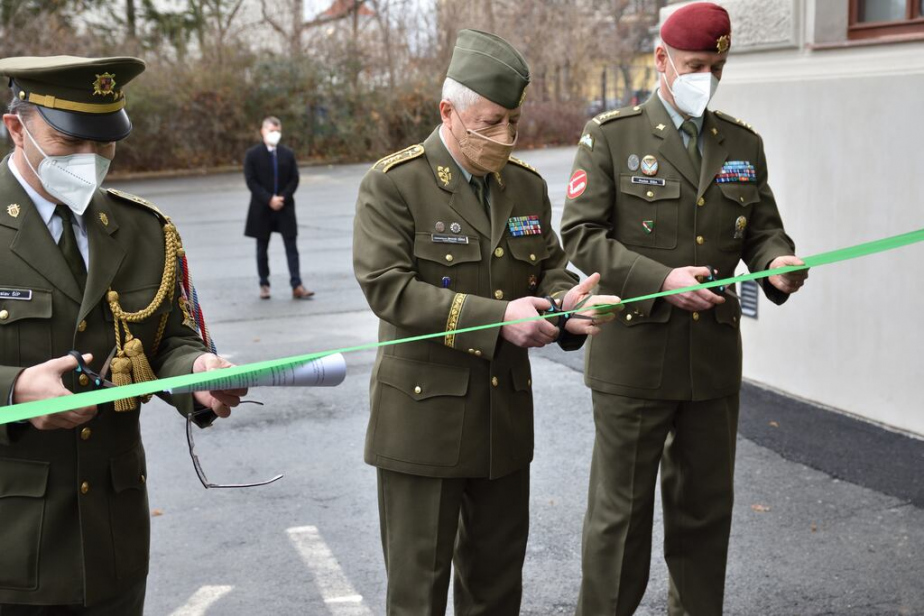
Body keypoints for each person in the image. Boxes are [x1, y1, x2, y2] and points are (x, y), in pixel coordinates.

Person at [353, 29, 621, 616]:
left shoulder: (523, 185)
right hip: (423, 420)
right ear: (447, 112)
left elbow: (548, 268)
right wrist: (499, 320)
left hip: (502, 420)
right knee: (418, 591)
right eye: (491, 121)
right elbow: (387, 288)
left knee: (497, 587)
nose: (505, 136)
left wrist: (568, 307)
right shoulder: (394, 183)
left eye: (514, 122)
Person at [560, 4, 810, 615]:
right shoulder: (612, 136)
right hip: (635, 360)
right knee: (620, 520)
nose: (708, 76)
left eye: (717, 66)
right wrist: (659, 279)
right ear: (661, 61)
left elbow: (763, 230)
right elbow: (582, 235)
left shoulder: (741, 142)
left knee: (704, 516)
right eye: (696, 65)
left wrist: (779, 264)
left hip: (712, 360)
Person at [0, 55, 244, 615]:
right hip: (11, 543)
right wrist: (14, 393)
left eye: (103, 144)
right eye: (71, 142)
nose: (90, 161)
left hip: (111, 541)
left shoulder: (143, 230)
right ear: (17, 127)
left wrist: (198, 376)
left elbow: (167, 341)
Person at [243, 116, 313, 299]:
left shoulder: (287, 153)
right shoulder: (253, 154)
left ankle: (297, 285)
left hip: (285, 207)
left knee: (291, 246)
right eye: (271, 130)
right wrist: (268, 199)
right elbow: (251, 181)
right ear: (263, 131)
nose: (275, 134)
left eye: (277, 131)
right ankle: (264, 284)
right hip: (262, 208)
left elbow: (294, 178)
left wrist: (282, 197)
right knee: (261, 248)